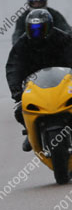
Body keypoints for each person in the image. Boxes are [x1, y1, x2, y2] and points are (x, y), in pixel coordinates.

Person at [6, 9, 72, 151]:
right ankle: (31, 134)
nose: (36, 33)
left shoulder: (62, 38)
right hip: (35, 85)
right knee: (19, 110)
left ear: (49, 27)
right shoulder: (22, 44)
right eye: (33, 29)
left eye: (40, 29)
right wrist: (16, 90)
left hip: (64, 81)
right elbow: (14, 67)